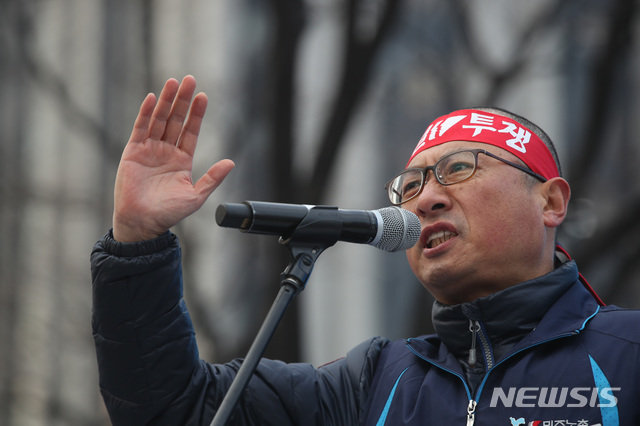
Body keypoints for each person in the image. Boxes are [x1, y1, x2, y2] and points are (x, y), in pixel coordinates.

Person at [91, 75, 640, 425]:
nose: (426, 199)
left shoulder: (626, 354)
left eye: (459, 168)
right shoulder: (372, 381)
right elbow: (177, 407)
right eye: (411, 185)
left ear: (550, 202)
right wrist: (137, 242)